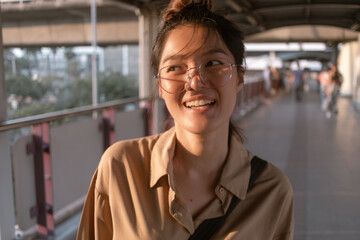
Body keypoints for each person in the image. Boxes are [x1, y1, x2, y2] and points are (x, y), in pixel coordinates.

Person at [76, 0, 294, 239]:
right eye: (175, 68)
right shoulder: (122, 168)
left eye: (213, 63)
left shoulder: (271, 190)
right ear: (159, 86)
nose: (195, 82)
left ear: (239, 78)